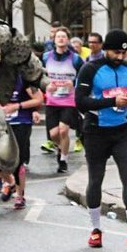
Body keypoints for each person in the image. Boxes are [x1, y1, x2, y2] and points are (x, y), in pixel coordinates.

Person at [74, 29, 127, 252]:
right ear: (106, 50)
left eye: (124, 52)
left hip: (124, 131)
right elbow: (80, 102)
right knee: (95, 179)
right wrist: (111, 102)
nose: (120, 57)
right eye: (116, 52)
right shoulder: (90, 69)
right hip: (96, 131)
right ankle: (95, 229)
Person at [0, 75, 44, 209]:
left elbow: (38, 98)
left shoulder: (23, 79)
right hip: (2, 122)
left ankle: (20, 195)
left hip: (21, 122)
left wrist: (17, 106)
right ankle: (10, 183)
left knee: (18, 162)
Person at [41, 27, 83, 172]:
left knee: (63, 130)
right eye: (58, 36)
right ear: (54, 40)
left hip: (68, 99)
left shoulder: (75, 58)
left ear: (68, 40)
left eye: (63, 37)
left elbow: (84, 75)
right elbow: (40, 74)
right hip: (52, 100)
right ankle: (60, 148)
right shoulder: (46, 57)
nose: (60, 39)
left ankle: (63, 160)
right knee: (53, 134)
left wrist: (74, 82)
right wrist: (46, 85)